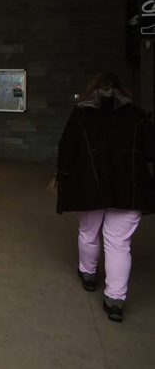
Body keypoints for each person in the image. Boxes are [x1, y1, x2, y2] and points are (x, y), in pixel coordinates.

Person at [56, 72, 155, 322]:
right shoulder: (138, 115)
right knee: (119, 243)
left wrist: (63, 176)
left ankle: (88, 275)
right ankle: (115, 300)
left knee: (88, 232)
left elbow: (66, 148)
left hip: (90, 185)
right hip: (130, 189)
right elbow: (151, 151)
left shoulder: (82, 114)